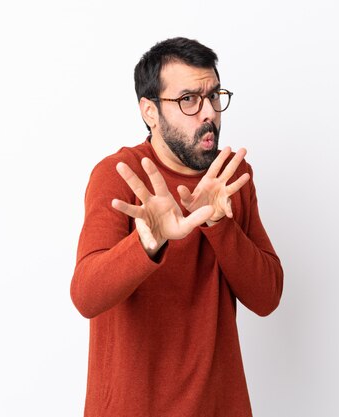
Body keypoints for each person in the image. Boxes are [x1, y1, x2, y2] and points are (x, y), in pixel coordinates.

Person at [70, 37, 283, 417]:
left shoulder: (231, 178)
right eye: (188, 99)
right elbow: (86, 295)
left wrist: (219, 223)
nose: (209, 113)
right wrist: (145, 245)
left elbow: (266, 297)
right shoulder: (119, 175)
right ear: (150, 111)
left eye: (214, 95)